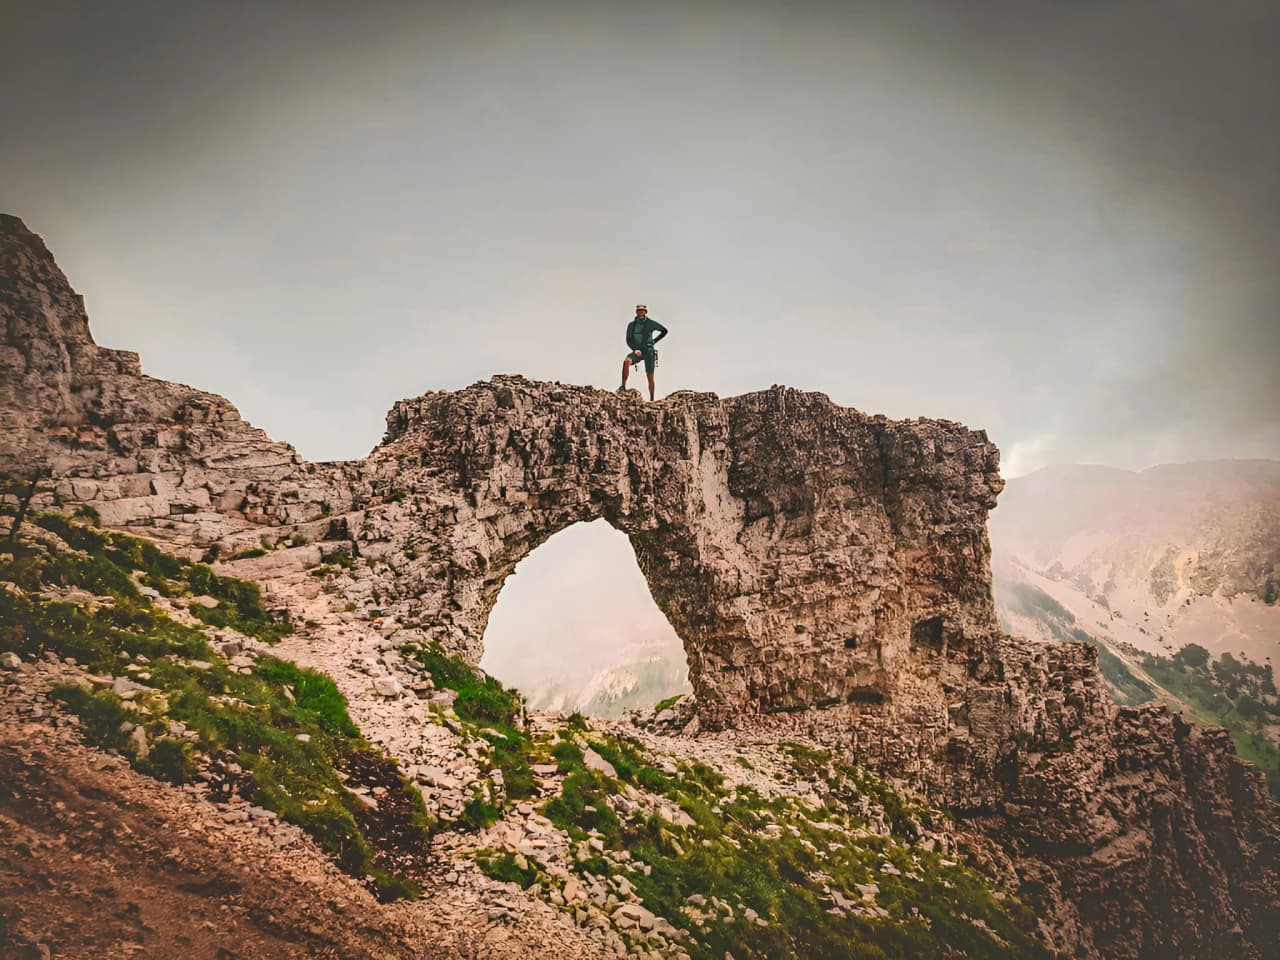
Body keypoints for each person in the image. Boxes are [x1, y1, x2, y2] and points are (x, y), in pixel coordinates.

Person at [619, 304, 668, 400]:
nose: (641, 313)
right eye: (639, 311)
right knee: (626, 362)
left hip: (649, 351)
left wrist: (654, 341)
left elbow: (664, 330)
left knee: (650, 376)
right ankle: (623, 386)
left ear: (646, 312)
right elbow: (629, 339)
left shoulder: (651, 323)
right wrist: (635, 349)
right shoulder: (631, 325)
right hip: (638, 351)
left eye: (643, 311)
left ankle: (652, 399)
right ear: (636, 312)